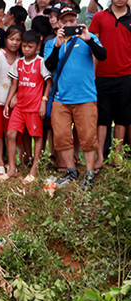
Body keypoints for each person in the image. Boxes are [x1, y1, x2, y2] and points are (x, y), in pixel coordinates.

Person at [45, 4, 108, 189]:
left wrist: (88, 40)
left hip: (86, 97)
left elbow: (103, 56)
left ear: (77, 21)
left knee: (88, 138)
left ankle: (89, 174)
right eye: (65, 22)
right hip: (61, 99)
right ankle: (71, 171)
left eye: (72, 21)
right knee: (62, 137)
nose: (69, 24)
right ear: (59, 24)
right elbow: (49, 65)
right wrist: (57, 45)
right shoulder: (53, 43)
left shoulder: (90, 38)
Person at [3, 29, 51, 181]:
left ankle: (34, 170)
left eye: (30, 46)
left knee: (36, 137)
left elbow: (48, 82)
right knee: (11, 133)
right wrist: (7, 103)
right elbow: (14, 84)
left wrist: (44, 101)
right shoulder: (19, 62)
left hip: (34, 107)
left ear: (38, 46)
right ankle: (12, 169)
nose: (26, 49)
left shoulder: (41, 62)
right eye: (24, 46)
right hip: (20, 107)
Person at [89, 0, 131, 169]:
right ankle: (100, 157)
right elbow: (93, 48)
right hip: (103, 75)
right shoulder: (100, 17)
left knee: (122, 118)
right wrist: (92, 75)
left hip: (126, 75)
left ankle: (117, 155)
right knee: (102, 119)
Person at [0, 25, 21, 175]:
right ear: (5, 39)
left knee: (10, 133)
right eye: (11, 39)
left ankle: (11, 162)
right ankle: (0, 163)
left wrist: (15, 97)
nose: (14, 42)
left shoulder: (21, 59)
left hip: (12, 102)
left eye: (18, 40)